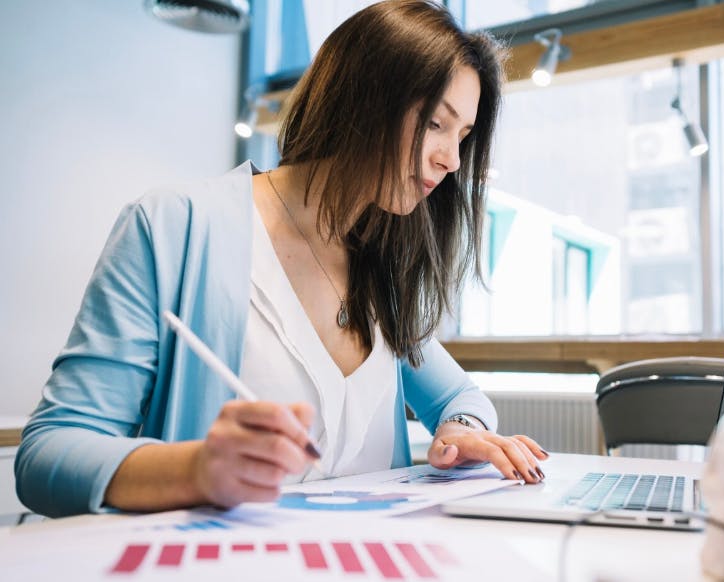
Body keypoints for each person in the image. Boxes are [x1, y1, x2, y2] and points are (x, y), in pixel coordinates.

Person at [15, 0, 548, 519]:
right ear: (362, 98)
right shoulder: (172, 226)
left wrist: (459, 430)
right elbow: (49, 453)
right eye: (436, 123)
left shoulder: (381, 264)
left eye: (464, 136)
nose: (451, 160)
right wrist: (196, 469)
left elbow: (459, 395)